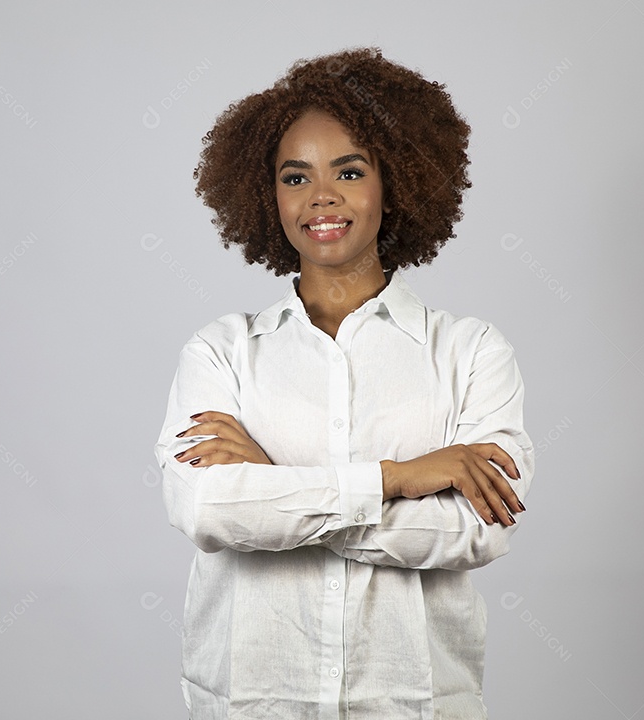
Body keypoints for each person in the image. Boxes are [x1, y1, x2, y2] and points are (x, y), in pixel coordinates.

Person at [154, 46, 534, 720]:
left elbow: (476, 531)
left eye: (350, 172)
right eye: (295, 177)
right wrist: (396, 479)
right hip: (256, 705)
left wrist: (272, 488)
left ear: (398, 183)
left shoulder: (471, 352)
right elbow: (209, 511)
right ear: (267, 195)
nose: (321, 197)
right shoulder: (221, 352)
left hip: (413, 705)